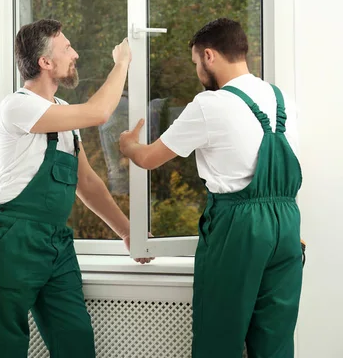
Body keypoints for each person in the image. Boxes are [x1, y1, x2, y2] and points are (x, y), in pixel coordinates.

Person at [119, 18, 303, 358]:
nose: (197, 73)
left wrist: (128, 145)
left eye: (195, 64)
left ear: (209, 56)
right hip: (287, 226)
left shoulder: (210, 104)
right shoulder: (282, 100)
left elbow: (148, 159)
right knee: (275, 341)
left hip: (239, 228)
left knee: (219, 337)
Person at [0, 18, 152, 358]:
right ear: (45, 62)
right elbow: (100, 112)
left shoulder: (63, 115)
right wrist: (122, 62)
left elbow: (86, 183)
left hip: (56, 245)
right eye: (66, 48)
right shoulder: (17, 107)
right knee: (5, 348)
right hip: (14, 240)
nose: (75, 55)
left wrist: (128, 231)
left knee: (75, 343)